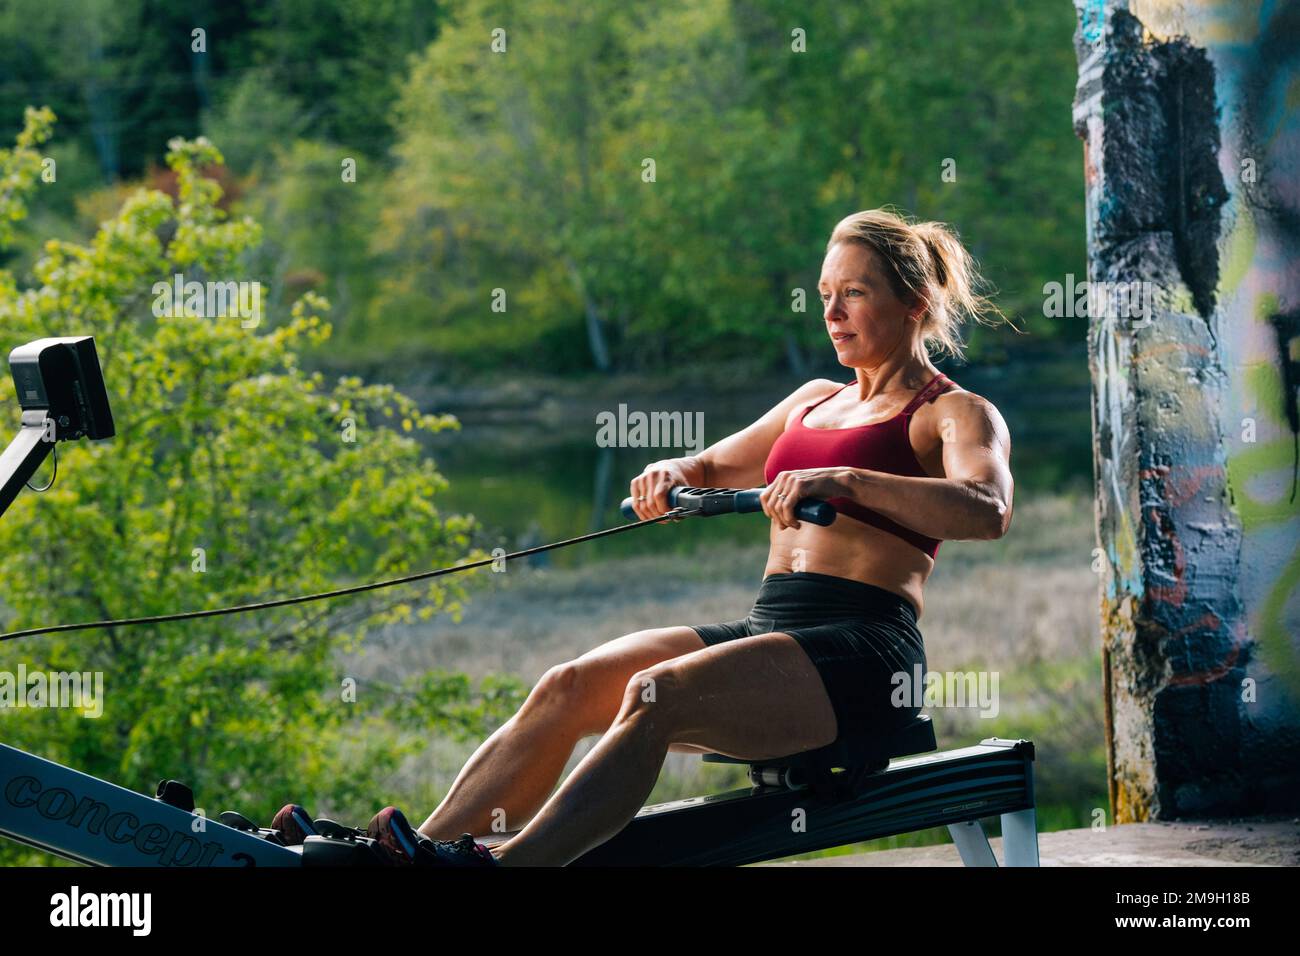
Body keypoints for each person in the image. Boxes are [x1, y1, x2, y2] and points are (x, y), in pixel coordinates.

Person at [278, 207, 1014, 867]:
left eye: (853, 292)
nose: (832, 311)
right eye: (825, 294)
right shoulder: (813, 402)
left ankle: (510, 870)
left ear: (914, 303)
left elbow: (987, 508)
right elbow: (712, 464)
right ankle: (424, 856)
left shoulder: (952, 413)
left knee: (654, 694)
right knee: (568, 686)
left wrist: (848, 482)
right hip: (774, 633)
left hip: (863, 654)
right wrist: (672, 470)